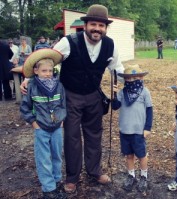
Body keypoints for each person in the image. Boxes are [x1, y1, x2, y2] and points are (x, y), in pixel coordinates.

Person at [20, 4, 124, 195]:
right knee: (72, 137)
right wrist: (28, 78)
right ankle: (72, 177)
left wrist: (127, 82)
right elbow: (46, 60)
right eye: (93, 24)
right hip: (70, 96)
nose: (97, 29)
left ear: (105, 28)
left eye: (101, 26)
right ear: (86, 25)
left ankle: (94, 171)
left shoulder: (110, 45)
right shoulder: (69, 42)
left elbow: (118, 69)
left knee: (94, 134)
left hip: (94, 95)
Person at [20, 49, 67, 199]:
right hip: (41, 128)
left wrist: (61, 120)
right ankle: (49, 189)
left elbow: (63, 104)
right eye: (43, 70)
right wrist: (34, 123)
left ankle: (57, 180)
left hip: (57, 127)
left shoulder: (58, 86)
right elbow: (25, 107)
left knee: (57, 155)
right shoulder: (32, 86)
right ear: (36, 71)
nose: (47, 74)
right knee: (43, 157)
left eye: (50, 70)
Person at [111, 64, 153, 193]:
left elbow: (149, 110)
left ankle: (144, 176)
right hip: (125, 129)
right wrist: (114, 95)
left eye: (134, 78)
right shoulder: (122, 92)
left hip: (139, 131)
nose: (131, 81)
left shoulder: (145, 92)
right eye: (128, 78)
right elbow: (115, 106)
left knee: (141, 155)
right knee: (129, 155)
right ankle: (131, 175)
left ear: (140, 77)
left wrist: (147, 128)